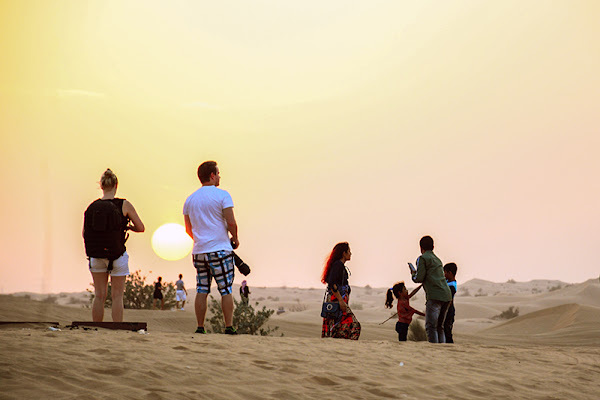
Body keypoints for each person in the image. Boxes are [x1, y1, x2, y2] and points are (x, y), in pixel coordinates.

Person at [184, 161, 239, 335]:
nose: (220, 176)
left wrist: (201, 240)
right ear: (212, 175)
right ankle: (228, 326)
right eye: (218, 173)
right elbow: (231, 221)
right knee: (225, 289)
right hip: (220, 250)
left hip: (199, 251)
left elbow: (188, 229)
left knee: (202, 289)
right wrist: (235, 238)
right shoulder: (223, 195)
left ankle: (200, 327)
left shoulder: (190, 199)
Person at [83, 168, 145, 322]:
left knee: (99, 295)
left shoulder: (92, 207)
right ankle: (117, 329)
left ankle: (97, 327)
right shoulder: (124, 204)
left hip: (96, 256)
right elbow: (141, 227)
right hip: (117, 255)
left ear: (101, 186)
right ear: (116, 185)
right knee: (117, 296)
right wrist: (128, 227)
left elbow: (84, 233)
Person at [411, 236, 452, 343]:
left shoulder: (422, 258)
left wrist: (413, 274)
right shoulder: (437, 260)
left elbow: (419, 278)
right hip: (446, 295)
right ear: (433, 247)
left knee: (431, 327)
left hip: (435, 296)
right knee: (440, 327)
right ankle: (442, 350)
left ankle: (434, 352)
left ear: (420, 248)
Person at [321, 242, 361, 340]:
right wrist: (341, 301)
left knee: (337, 327)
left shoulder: (339, 266)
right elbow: (332, 284)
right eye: (349, 251)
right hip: (336, 301)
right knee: (354, 326)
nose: (350, 254)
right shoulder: (337, 265)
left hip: (339, 301)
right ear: (344, 253)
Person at [443, 263, 458, 343]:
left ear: (450, 273)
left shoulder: (452, 285)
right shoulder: (448, 282)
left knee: (447, 331)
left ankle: (449, 347)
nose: (444, 274)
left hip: (449, 311)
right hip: (448, 310)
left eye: (445, 272)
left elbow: (450, 300)